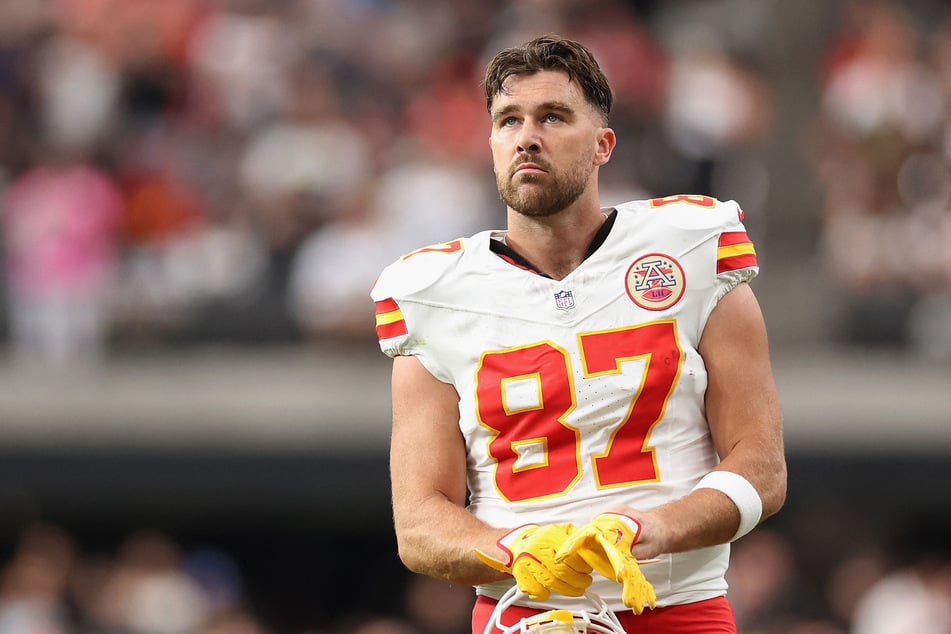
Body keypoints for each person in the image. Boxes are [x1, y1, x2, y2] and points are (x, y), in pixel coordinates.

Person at [370, 35, 786, 634]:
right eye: (508, 120)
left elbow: (763, 468)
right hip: (523, 619)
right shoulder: (433, 293)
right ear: (491, 142)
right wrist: (513, 551)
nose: (526, 136)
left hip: (677, 609)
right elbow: (418, 526)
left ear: (602, 145)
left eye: (553, 117)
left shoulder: (691, 248)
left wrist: (654, 527)